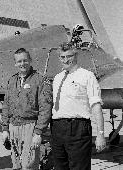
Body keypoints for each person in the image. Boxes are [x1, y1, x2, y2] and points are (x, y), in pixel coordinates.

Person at [51, 42, 106, 170]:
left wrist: (101, 134)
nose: (66, 60)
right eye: (62, 57)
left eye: (69, 56)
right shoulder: (57, 78)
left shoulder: (87, 76)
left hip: (78, 128)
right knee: (60, 167)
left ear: (76, 56)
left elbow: (96, 105)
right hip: (58, 129)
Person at [1, 48, 53, 170]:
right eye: (19, 61)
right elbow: (6, 106)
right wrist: (4, 129)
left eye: (25, 60)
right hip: (13, 127)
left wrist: (38, 132)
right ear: (15, 63)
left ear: (30, 61)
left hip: (30, 126)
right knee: (16, 164)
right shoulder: (12, 80)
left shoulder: (40, 80)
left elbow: (45, 108)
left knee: (29, 165)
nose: (22, 64)